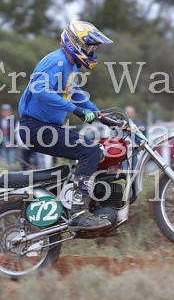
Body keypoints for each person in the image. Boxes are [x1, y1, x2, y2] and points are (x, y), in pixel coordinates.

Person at [18, 20, 113, 232]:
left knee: (94, 150)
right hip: (36, 128)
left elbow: (75, 93)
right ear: (74, 43)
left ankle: (78, 201)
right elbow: (41, 91)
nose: (91, 52)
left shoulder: (70, 66)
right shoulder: (57, 62)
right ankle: (79, 213)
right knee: (90, 150)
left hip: (46, 127)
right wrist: (75, 110)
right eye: (89, 47)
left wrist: (99, 113)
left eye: (93, 48)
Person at [0, 104, 20, 169]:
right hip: (2, 144)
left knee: (12, 161)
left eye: (7, 110)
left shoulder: (14, 120)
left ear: (10, 111)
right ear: (1, 112)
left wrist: (12, 141)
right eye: (4, 111)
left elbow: (16, 133)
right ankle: (6, 173)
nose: (6, 112)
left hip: (12, 144)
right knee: (4, 161)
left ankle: (13, 173)